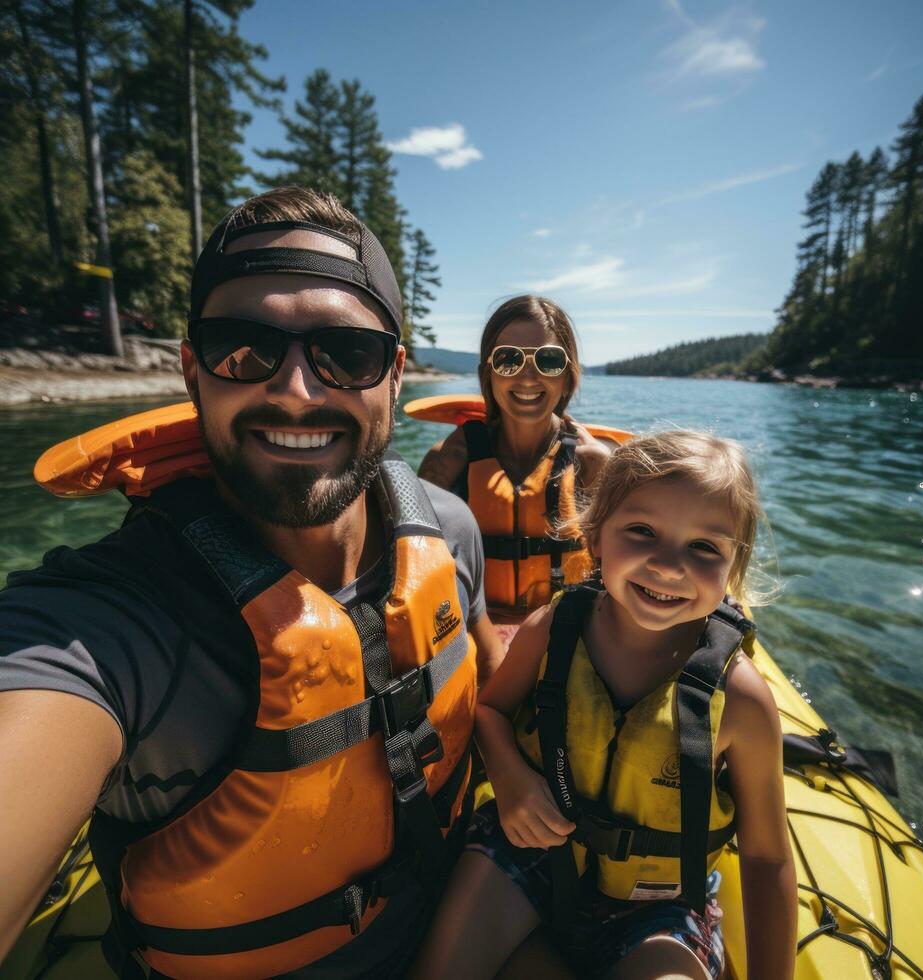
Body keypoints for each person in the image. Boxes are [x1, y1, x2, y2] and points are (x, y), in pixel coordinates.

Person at [0, 187, 504, 979]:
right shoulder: (102, 625)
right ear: (193, 370)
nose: (298, 390)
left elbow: (492, 689)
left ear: (395, 374)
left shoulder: (451, 531)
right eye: (244, 348)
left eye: (347, 353)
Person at [412, 431, 798, 980]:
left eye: (705, 547)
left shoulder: (742, 699)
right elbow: (490, 712)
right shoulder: (552, 629)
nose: (668, 566)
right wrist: (512, 778)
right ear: (594, 538)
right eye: (641, 531)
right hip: (528, 857)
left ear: (734, 564)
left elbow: (766, 858)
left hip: (659, 906)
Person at [419, 296, 612, 644]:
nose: (527, 377)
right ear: (487, 374)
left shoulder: (593, 462)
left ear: (568, 378)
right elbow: (413, 567)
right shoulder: (448, 461)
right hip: (474, 636)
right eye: (508, 360)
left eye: (548, 361)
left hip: (567, 637)